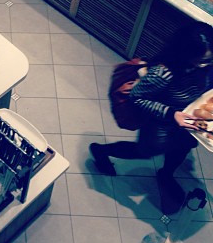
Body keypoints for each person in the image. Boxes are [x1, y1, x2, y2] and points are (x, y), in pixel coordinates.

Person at [89, 21, 213, 213]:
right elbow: (137, 97)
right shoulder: (163, 73)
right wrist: (172, 114)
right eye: (201, 60)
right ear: (185, 54)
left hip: (187, 122)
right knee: (145, 151)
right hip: (161, 123)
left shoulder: (204, 66)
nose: (206, 65)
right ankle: (101, 151)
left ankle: (166, 175)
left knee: (182, 148)